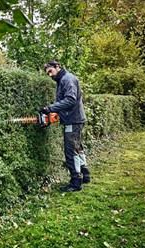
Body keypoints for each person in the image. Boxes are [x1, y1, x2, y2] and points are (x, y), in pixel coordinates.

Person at [40, 60, 90, 192]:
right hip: (75, 118)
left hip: (72, 120)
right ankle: (85, 174)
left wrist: (50, 108)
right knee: (78, 148)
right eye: (47, 73)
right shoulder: (64, 79)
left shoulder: (67, 79)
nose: (50, 75)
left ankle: (75, 182)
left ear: (57, 67)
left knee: (70, 151)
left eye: (50, 71)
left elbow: (70, 99)